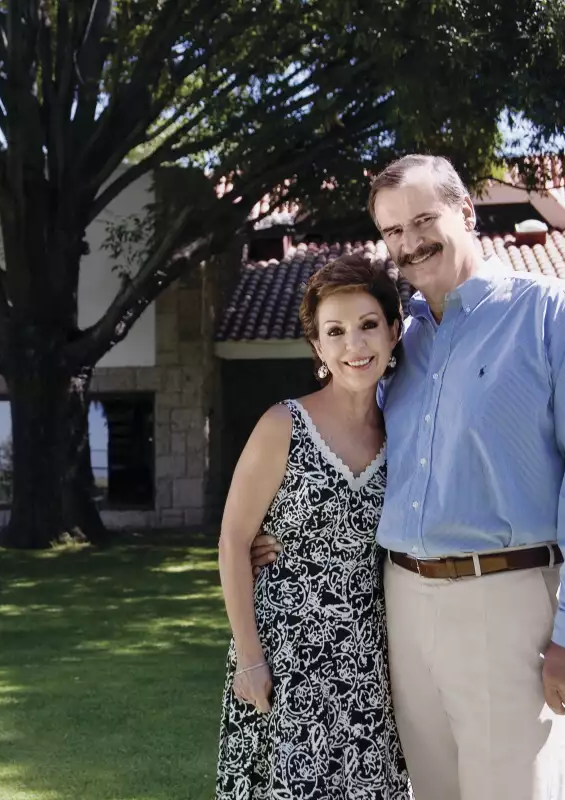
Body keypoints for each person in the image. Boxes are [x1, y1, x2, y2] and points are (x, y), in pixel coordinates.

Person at [250, 154, 565, 800]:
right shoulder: (401, 344)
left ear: (466, 212)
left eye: (424, 220)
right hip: (403, 605)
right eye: (393, 231)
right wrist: (291, 540)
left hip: (508, 599)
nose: (410, 242)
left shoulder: (552, 315)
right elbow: (365, 463)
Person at [216, 251, 412, 799]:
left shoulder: (406, 434)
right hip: (285, 655)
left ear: (394, 333)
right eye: (336, 331)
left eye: (369, 325)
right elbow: (233, 543)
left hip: (373, 657)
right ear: (318, 347)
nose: (355, 345)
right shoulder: (283, 425)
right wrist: (251, 658)